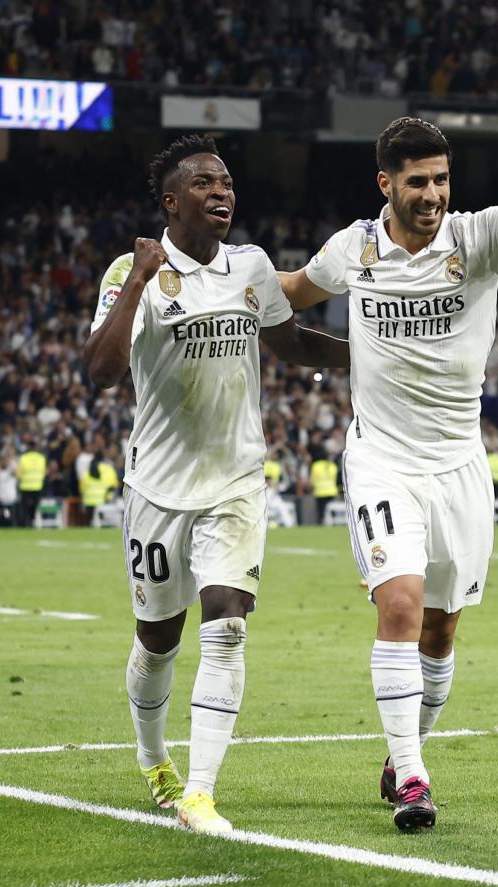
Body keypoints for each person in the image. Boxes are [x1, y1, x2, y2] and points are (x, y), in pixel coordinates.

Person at [276, 58, 498, 832]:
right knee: (401, 604)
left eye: (442, 179)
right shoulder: (353, 249)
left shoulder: (477, 240)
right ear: (387, 184)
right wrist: (214, 279)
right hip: (383, 461)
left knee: (442, 631)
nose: (433, 194)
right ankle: (412, 777)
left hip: (459, 468)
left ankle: (404, 749)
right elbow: (291, 291)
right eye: (418, 182)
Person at [81, 134, 349, 837]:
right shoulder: (130, 271)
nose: (221, 192)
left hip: (235, 481)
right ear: (172, 202)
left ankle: (200, 793)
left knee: (227, 622)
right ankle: (153, 760)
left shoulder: (250, 266)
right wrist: (139, 280)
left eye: (226, 182)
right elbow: (101, 370)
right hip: (158, 488)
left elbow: (291, 344)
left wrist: (375, 357)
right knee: (157, 638)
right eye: (204, 182)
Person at [17, 437, 46, 527]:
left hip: (25, 486)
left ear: (28, 447)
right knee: (35, 507)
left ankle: (25, 523)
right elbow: (43, 472)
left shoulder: (23, 458)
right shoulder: (41, 458)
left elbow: (19, 474)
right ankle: (33, 521)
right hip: (37, 486)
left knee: (24, 507)